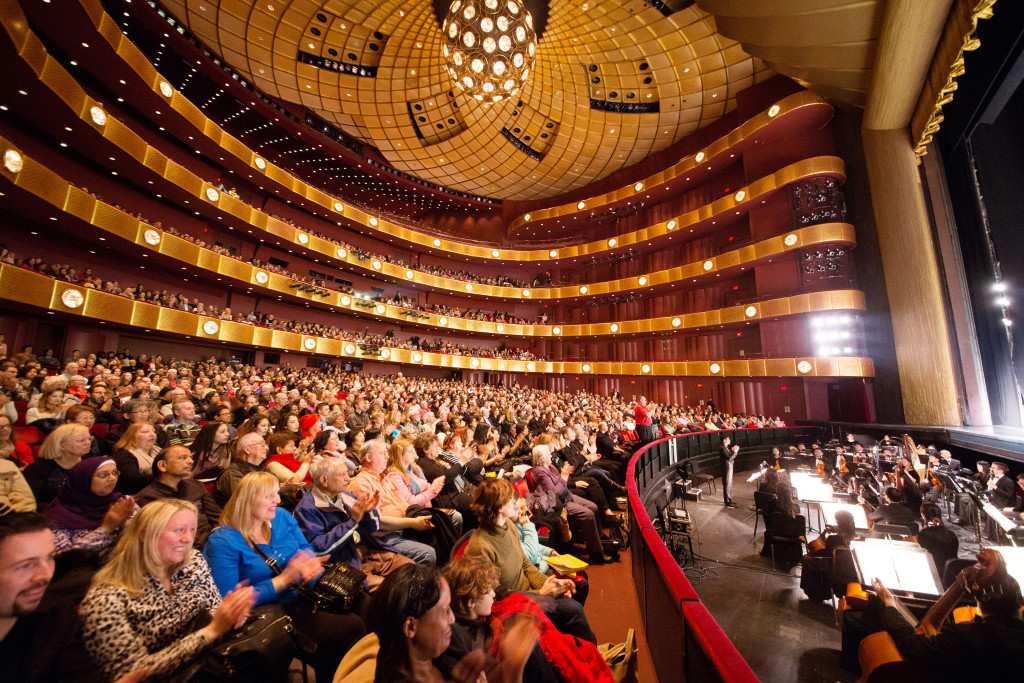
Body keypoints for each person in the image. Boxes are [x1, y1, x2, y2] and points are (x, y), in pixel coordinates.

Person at [203, 471, 366, 683]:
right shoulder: (224, 541)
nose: (278, 500)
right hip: (271, 611)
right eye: (270, 496)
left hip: (305, 590)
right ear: (248, 501)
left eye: (277, 494)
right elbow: (229, 602)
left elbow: (305, 548)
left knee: (366, 604)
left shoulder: (281, 517)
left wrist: (307, 563)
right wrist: (283, 580)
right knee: (350, 628)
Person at [78, 499, 260, 680]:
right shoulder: (105, 599)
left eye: (192, 530)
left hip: (213, 664)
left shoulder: (193, 562)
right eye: (179, 530)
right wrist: (210, 632)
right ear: (145, 534)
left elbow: (214, 607)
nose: (188, 539)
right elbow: (132, 674)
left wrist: (233, 613)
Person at [0, 512, 149, 683]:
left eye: (50, 558)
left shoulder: (56, 613)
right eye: (25, 565)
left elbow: (78, 673)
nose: (45, 575)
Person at [465, 478, 597, 644]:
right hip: (515, 605)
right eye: (509, 499)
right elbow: (496, 599)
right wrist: (541, 594)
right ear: (499, 508)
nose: (516, 501)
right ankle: (589, 658)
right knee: (574, 610)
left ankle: (577, 648)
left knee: (577, 588)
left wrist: (550, 583)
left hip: (530, 591)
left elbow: (526, 565)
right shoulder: (479, 547)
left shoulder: (508, 526)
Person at [872, 549, 1024, 683]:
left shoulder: (965, 637)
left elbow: (910, 643)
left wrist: (889, 604)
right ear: (1021, 601)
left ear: (979, 600)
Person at [369, 562, 537, 683]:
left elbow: (486, 670)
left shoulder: (441, 644)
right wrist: (514, 673)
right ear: (411, 627)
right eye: (444, 611)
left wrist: (510, 663)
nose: (452, 618)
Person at [293, 456, 413, 591]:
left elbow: (373, 527)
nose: (348, 479)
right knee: (393, 590)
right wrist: (353, 521)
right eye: (342, 475)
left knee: (411, 570)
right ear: (324, 480)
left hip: (369, 551)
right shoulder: (307, 508)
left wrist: (369, 511)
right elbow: (319, 550)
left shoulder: (344, 496)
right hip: (346, 565)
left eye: (347, 473)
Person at [348, 439, 438, 565]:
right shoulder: (362, 484)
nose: (387, 456)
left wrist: (417, 515)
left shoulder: (385, 478)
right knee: (429, 553)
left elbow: (405, 504)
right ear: (369, 457)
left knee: (441, 525)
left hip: (403, 527)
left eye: (387, 452)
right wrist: (412, 523)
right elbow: (378, 522)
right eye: (383, 453)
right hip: (384, 537)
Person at [529, 444, 611, 564]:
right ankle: (596, 553)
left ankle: (599, 539)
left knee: (593, 507)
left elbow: (561, 485)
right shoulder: (539, 471)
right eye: (548, 454)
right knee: (588, 514)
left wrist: (563, 478)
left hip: (567, 495)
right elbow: (554, 493)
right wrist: (563, 477)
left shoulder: (550, 466)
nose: (550, 455)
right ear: (542, 457)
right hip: (557, 503)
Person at [44, 457, 137, 557]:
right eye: (103, 475)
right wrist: (106, 528)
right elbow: (66, 560)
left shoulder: (121, 501)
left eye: (115, 473)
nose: (112, 478)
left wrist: (123, 524)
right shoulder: (58, 516)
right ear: (83, 479)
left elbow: (143, 537)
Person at [135, 446, 222, 547]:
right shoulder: (147, 497)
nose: (190, 461)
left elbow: (217, 516)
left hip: (212, 541)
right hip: (182, 548)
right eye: (183, 457)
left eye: (190, 457)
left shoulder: (196, 485)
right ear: (163, 465)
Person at [22, 423, 92, 508]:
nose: (88, 443)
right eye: (81, 440)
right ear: (61, 445)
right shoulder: (37, 469)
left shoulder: (90, 464)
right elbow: (31, 503)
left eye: (89, 439)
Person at [214, 432, 267, 506]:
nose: (266, 448)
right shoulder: (232, 474)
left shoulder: (262, 468)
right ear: (247, 450)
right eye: (262, 445)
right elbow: (246, 502)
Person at [110, 422, 161, 494]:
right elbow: (132, 480)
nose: (152, 434)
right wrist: (164, 476)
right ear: (132, 436)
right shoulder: (123, 455)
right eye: (145, 432)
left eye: (153, 431)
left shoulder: (158, 450)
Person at [916, 502, 959, 575]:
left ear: (923, 515)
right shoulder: (952, 534)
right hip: (951, 572)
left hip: (932, 572)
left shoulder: (923, 535)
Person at [719, 437, 738, 508]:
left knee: (729, 484)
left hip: (729, 468)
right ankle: (727, 501)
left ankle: (729, 499)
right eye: (728, 439)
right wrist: (735, 452)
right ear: (724, 440)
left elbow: (729, 455)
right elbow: (729, 458)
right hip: (726, 469)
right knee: (727, 484)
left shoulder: (725, 448)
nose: (730, 441)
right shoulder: (722, 448)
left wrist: (732, 450)